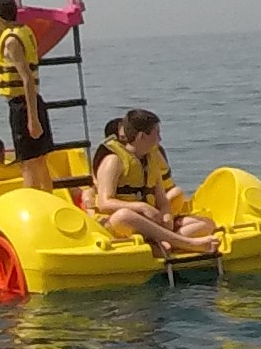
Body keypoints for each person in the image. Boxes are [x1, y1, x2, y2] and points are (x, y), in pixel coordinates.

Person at [92, 108, 219, 256]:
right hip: (119, 225)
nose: (160, 139)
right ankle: (188, 243)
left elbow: (162, 200)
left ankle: (163, 244)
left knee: (207, 224)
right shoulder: (113, 161)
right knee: (123, 216)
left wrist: (166, 215)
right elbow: (104, 203)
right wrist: (141, 207)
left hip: (150, 222)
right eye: (156, 133)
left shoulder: (151, 159)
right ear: (141, 136)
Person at [0, 0, 52, 163]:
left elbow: (27, 78)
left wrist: (33, 119)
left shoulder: (11, 41)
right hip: (32, 102)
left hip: (23, 106)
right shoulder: (25, 31)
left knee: (28, 163)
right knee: (39, 162)